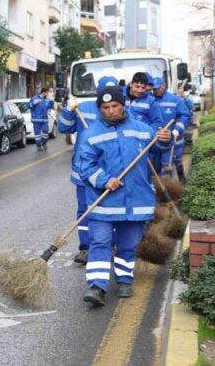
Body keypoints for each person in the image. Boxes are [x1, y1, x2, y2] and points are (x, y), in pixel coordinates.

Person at [77, 86, 171, 306]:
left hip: (136, 202)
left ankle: (124, 281)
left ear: (123, 105)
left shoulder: (142, 129)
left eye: (115, 106)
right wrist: (104, 180)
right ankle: (97, 286)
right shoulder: (91, 135)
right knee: (99, 242)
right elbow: (85, 166)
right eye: (105, 107)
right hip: (104, 203)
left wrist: (164, 140)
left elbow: (159, 149)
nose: (110, 111)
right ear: (100, 109)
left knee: (128, 245)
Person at [57, 76, 119, 264]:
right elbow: (63, 128)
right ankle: (85, 248)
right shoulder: (83, 109)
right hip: (84, 173)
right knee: (85, 211)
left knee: (112, 210)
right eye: (103, 94)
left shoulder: (119, 111)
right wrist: (68, 111)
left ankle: (111, 245)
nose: (108, 101)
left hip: (110, 173)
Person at [153, 76, 190, 181]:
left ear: (164, 86)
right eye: (154, 89)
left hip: (175, 138)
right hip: (158, 140)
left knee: (177, 160)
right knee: (164, 164)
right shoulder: (151, 100)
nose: (155, 91)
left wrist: (176, 130)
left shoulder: (175, 100)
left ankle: (181, 176)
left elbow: (185, 116)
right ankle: (166, 187)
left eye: (158, 88)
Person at [28, 87, 55, 152]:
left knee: (45, 132)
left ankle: (44, 143)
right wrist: (33, 103)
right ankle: (38, 145)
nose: (48, 94)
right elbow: (28, 106)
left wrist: (51, 101)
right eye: (47, 93)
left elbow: (50, 107)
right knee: (37, 133)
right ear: (44, 92)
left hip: (44, 119)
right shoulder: (35, 98)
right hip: (36, 119)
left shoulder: (47, 100)